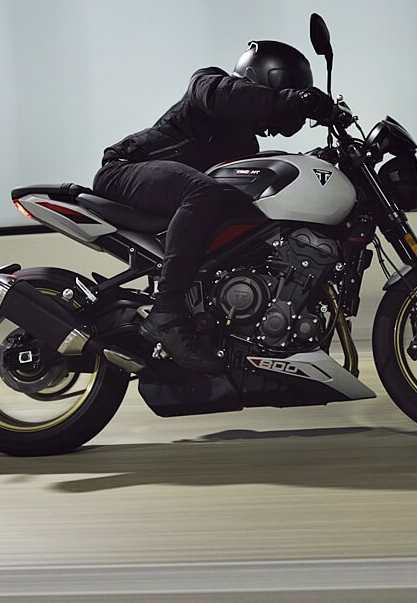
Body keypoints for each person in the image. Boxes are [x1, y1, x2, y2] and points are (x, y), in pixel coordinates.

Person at [92, 40, 336, 374]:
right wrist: (296, 100)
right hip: (124, 170)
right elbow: (230, 96)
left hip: (168, 195)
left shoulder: (243, 143)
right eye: (287, 88)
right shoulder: (209, 84)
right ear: (267, 77)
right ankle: (166, 311)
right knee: (203, 192)